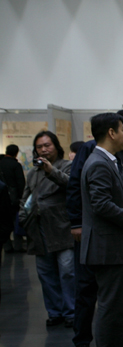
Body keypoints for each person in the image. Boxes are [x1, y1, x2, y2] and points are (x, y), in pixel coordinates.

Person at [81, 113, 123, 347]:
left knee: (118, 306)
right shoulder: (99, 163)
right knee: (110, 306)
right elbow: (102, 205)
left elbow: (115, 198)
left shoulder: (106, 160)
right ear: (111, 132)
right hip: (107, 248)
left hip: (113, 248)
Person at [18, 131, 75, 327]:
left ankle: (71, 312)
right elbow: (26, 198)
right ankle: (55, 312)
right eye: (39, 147)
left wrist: (51, 171)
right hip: (38, 229)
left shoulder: (66, 166)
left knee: (67, 271)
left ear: (56, 146)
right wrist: (23, 217)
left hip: (62, 227)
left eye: (47, 145)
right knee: (46, 274)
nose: (43, 149)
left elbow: (71, 185)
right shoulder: (33, 173)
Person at [0, 144, 26, 253]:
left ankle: (7, 246)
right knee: (17, 222)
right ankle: (18, 246)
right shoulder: (16, 165)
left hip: (2, 198)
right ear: (16, 153)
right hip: (14, 199)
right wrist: (22, 197)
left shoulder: (1, 163)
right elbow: (20, 183)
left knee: (3, 222)